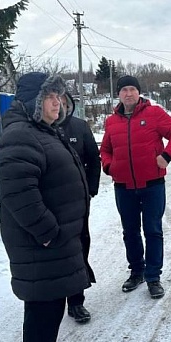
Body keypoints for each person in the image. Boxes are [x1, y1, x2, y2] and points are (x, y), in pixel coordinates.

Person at [0, 72, 91, 342]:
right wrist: (49, 233)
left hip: (55, 239)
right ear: (35, 101)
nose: (58, 103)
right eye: (50, 97)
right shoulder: (20, 135)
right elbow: (19, 194)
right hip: (41, 242)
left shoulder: (41, 131)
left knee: (51, 304)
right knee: (41, 308)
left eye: (60, 97)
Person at [100, 75, 171, 299]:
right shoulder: (111, 122)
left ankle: (153, 277)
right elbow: (106, 150)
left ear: (138, 92)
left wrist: (167, 155)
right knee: (130, 232)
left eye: (132, 89)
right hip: (124, 187)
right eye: (123, 90)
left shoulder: (154, 114)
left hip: (152, 185)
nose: (128, 93)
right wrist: (110, 167)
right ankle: (136, 271)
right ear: (118, 94)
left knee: (153, 231)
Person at [60, 93, 100, 324]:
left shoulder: (79, 127)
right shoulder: (42, 129)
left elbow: (94, 160)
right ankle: (56, 301)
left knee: (79, 247)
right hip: (52, 204)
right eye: (56, 102)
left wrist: (91, 190)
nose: (60, 107)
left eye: (64, 103)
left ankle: (76, 302)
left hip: (79, 202)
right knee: (58, 251)